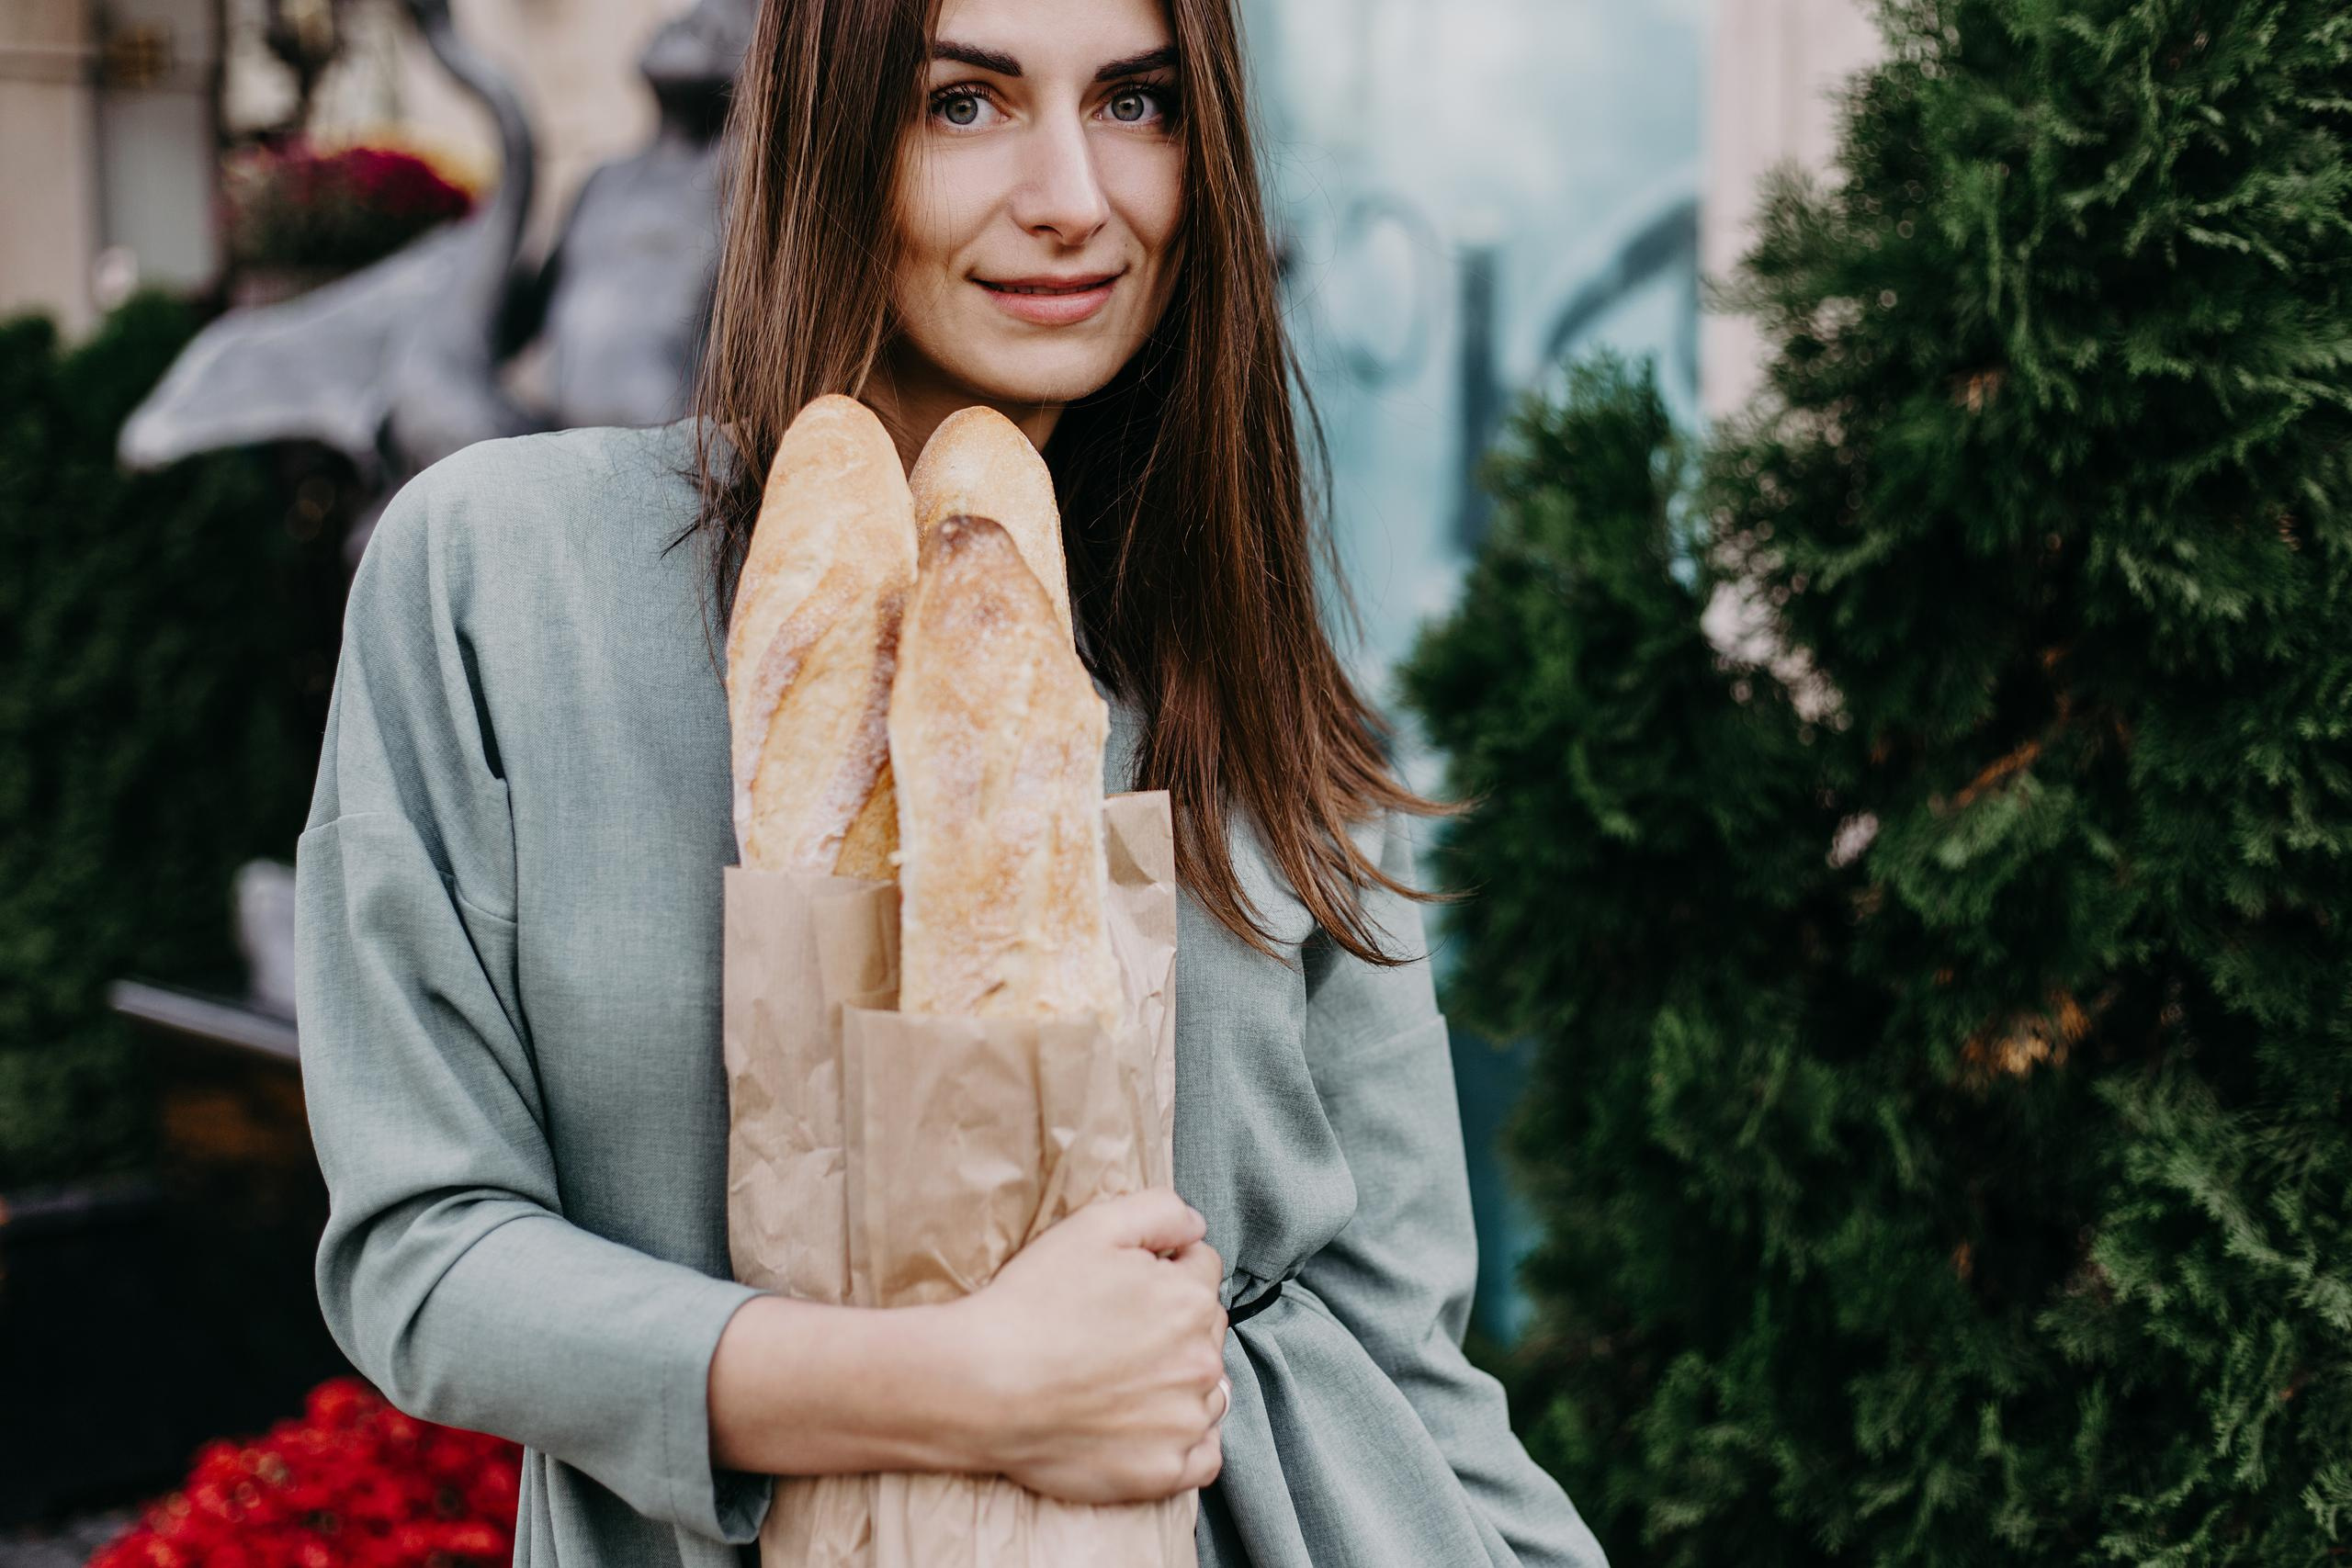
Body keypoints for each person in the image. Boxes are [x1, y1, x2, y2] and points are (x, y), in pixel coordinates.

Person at [292, 0, 1611, 1563]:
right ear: (828, 140)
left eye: (1138, 103)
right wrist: (957, 1388)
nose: (1072, 194)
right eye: (965, 106)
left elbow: (1405, 1365)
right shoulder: (502, 580)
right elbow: (425, 1255)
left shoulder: (1260, 674)